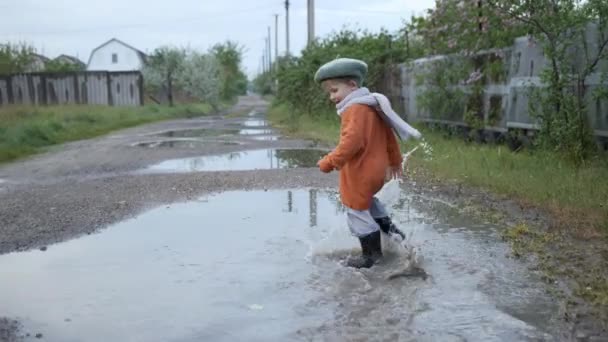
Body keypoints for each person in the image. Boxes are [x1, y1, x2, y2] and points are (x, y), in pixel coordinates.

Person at [314, 58, 421, 268]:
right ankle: (396, 236)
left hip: (361, 171)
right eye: (330, 92)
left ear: (352, 85)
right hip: (376, 171)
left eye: (335, 90)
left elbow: (351, 143)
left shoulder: (354, 109)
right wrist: (395, 160)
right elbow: (389, 135)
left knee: (355, 208)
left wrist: (329, 161)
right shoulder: (372, 105)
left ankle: (371, 256)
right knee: (369, 203)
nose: (332, 97)